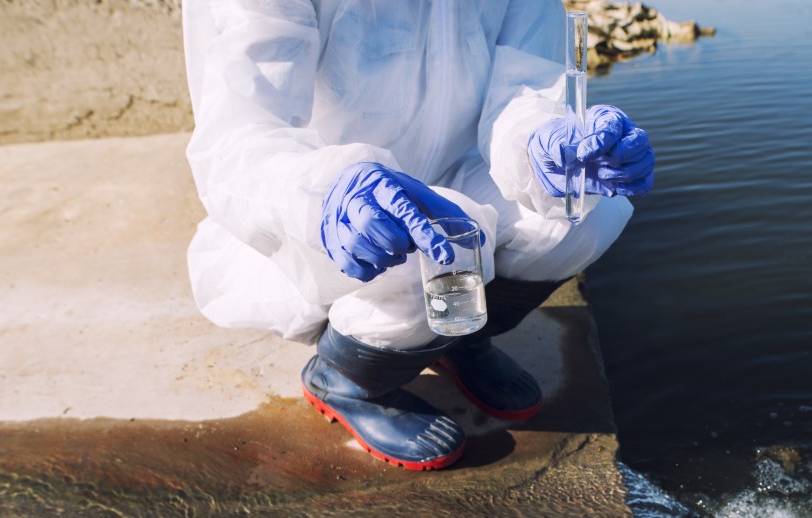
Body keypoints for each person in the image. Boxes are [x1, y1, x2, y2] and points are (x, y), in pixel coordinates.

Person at [182, 0, 655, 470]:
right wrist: (326, 191)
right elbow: (237, 136)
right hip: (324, 206)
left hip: (456, 174)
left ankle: (459, 341)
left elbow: (524, 88)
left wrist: (547, 144)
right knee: (426, 248)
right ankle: (349, 378)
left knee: (585, 209)